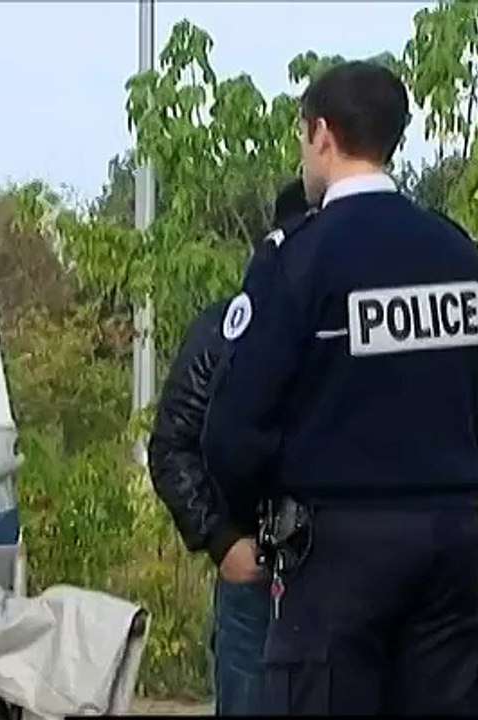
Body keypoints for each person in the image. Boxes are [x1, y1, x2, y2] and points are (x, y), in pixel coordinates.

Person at [201, 60, 478, 715]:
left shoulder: (299, 259)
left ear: (321, 134)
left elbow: (233, 429)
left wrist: (260, 517)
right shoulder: (458, 256)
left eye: (301, 137)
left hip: (335, 556)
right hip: (448, 547)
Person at [146, 179, 314, 715]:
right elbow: (173, 443)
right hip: (259, 572)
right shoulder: (228, 327)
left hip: (353, 575)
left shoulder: (354, 328)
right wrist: (220, 538)